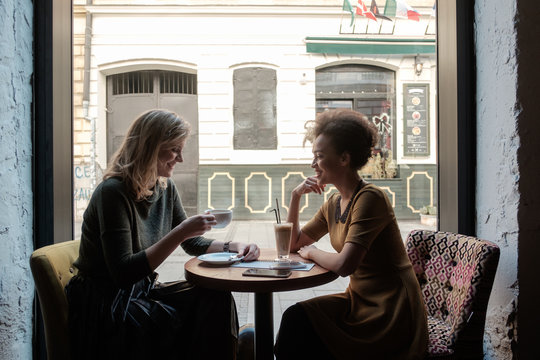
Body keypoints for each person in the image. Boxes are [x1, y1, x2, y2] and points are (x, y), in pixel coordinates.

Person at [65, 109, 260, 360]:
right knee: (176, 322)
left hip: (140, 292)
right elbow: (123, 273)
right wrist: (180, 232)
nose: (180, 158)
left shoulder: (164, 187)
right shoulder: (112, 193)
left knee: (215, 298)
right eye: (174, 149)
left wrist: (235, 245)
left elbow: (193, 243)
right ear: (150, 147)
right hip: (105, 303)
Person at [274, 109, 428, 360]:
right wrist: (295, 197)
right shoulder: (334, 202)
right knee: (296, 318)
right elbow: (293, 245)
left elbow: (345, 264)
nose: (313, 164)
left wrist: (312, 252)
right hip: (359, 301)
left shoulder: (370, 198)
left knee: (303, 332)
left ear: (344, 158)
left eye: (319, 156)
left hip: (391, 312)